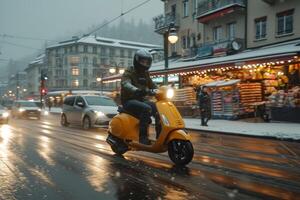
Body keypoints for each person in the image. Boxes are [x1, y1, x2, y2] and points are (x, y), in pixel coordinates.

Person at [120, 49, 160, 145]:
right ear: (137, 60)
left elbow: (152, 85)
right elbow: (125, 83)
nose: (145, 63)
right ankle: (143, 137)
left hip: (141, 101)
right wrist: (135, 90)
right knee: (146, 108)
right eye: (143, 61)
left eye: (147, 61)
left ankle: (161, 135)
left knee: (159, 108)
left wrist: (159, 90)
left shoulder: (145, 74)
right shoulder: (129, 71)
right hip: (128, 101)